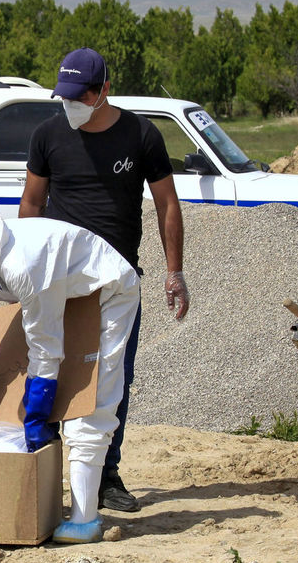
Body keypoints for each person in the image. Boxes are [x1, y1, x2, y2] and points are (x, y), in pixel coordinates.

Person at [20, 47, 190, 513]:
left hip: (118, 283)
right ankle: (47, 466)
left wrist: (174, 272)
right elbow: (32, 205)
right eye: (64, 97)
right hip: (59, 281)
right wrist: (28, 273)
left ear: (102, 92)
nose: (69, 105)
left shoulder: (141, 135)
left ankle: (106, 475)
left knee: (116, 376)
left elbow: (167, 204)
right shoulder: (47, 135)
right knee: (51, 368)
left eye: (78, 97)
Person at [0, 196, 142, 544]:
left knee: (93, 398)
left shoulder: (23, 265)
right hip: (60, 287)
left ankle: (86, 519)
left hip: (106, 286)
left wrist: (37, 414)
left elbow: (45, 346)